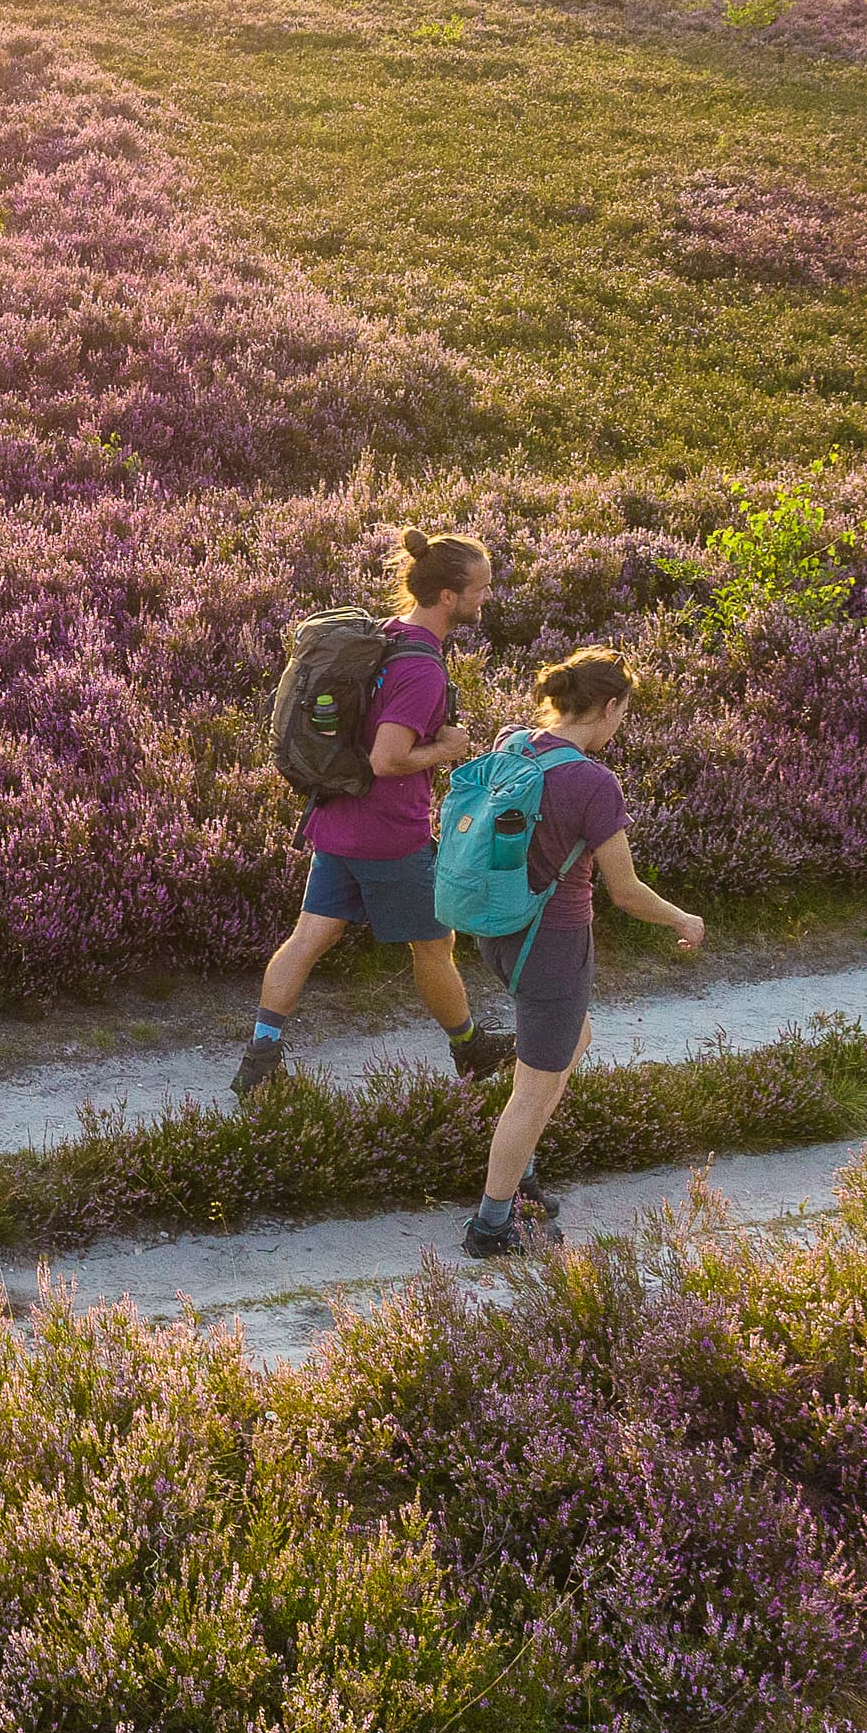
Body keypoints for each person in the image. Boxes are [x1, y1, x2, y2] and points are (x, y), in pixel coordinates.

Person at [235, 530, 517, 1099]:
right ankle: (470, 1051)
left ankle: (260, 1057)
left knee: (309, 935)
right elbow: (389, 758)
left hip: (337, 820)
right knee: (434, 945)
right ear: (446, 597)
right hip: (389, 834)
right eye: (479, 590)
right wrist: (449, 749)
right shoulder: (422, 670)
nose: (486, 598)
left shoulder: (384, 637)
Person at [459, 649, 705, 1259]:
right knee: (535, 1090)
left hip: (497, 931)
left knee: (576, 1037)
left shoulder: (514, 744)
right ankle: (493, 1225)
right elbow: (625, 890)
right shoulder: (594, 782)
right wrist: (681, 918)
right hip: (554, 947)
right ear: (611, 706)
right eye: (625, 711)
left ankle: (523, 1177)